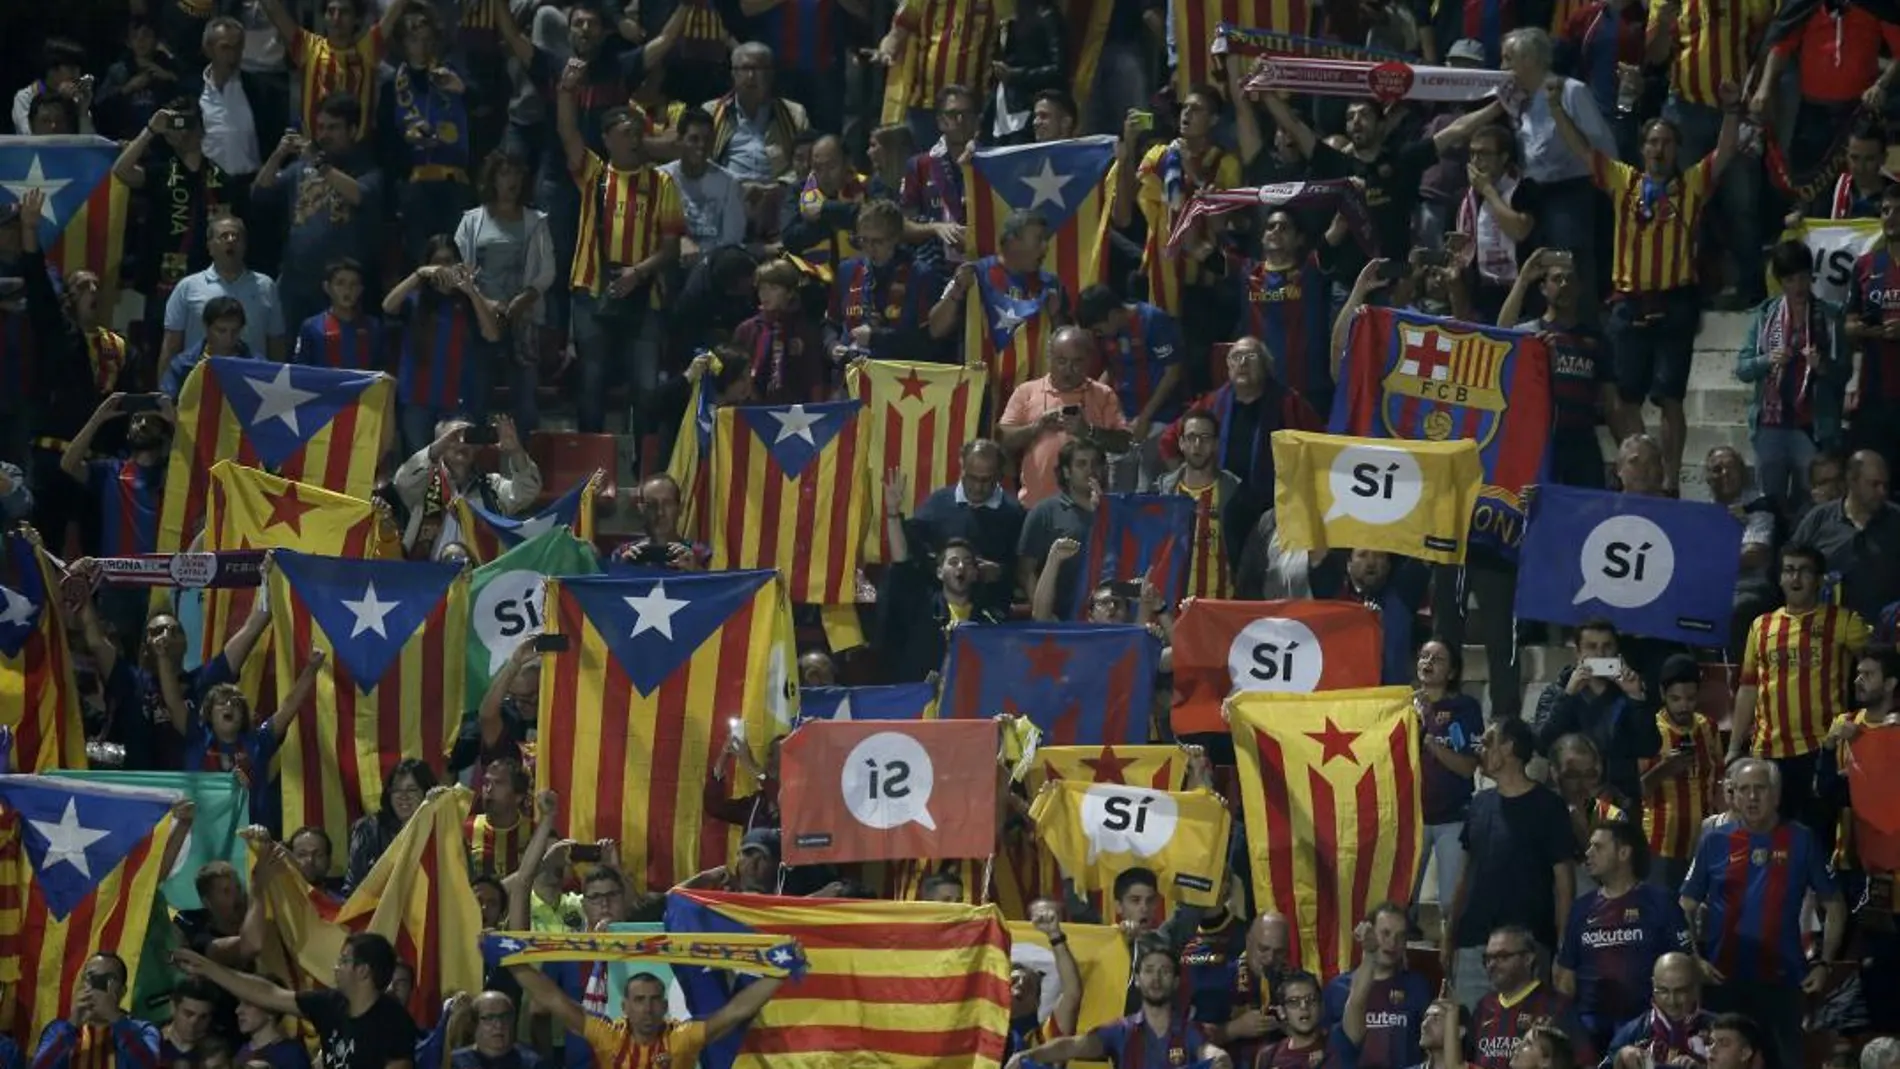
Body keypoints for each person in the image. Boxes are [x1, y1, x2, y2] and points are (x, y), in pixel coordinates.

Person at [1548, 80, 1744, 496]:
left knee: (1670, 397)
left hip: (1676, 300)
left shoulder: (1691, 185)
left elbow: (1725, 152)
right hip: (1627, 301)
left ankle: (1669, 481)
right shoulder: (1624, 181)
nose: (1658, 150)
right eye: (1652, 143)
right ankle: (1640, 472)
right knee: (1623, 398)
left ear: (1676, 150)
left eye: (1667, 143)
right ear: (1642, 150)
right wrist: (1554, 107)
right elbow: (1582, 149)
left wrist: (1730, 111)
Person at [1680, 759, 1848, 1069]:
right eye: (1744, 790)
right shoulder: (1713, 841)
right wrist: (1694, 957)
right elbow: (1686, 904)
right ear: (1733, 795)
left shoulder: (1802, 839)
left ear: (1777, 795)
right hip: (1723, 979)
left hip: (1781, 979)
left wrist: (1824, 963)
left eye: (1760, 789)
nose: (1752, 797)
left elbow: (1835, 904)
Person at [555, 67, 684, 434]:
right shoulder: (593, 173)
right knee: (591, 381)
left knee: (645, 387)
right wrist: (566, 91)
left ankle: (643, 470)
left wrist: (638, 273)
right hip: (591, 291)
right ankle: (594, 470)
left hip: (645, 295)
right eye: (626, 134)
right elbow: (567, 132)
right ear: (607, 139)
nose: (634, 140)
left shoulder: (662, 182)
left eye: (638, 133)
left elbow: (671, 248)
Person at [1728, 542, 1869, 835]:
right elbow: (1748, 688)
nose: (1795, 578)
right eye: (1789, 570)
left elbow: (1879, 667)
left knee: (1818, 838)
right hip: (1768, 751)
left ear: (1819, 579)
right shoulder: (1761, 626)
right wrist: (1733, 747)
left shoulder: (1842, 621)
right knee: (1771, 840)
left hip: (1821, 750)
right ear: (1779, 577)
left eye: (1804, 571)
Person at [1445, 719, 1575, 1010]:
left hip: (1527, 946)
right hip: (1474, 944)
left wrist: (1564, 950)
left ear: (1510, 747)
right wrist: (1450, 934)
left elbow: (1564, 885)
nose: (1481, 747)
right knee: (1471, 1034)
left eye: (1489, 740)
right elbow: (1465, 875)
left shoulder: (1548, 806)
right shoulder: (1479, 804)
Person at [173, 933, 418, 1069]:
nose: (336, 967)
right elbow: (268, 993)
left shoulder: (392, 1021)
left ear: (364, 971)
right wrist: (208, 968)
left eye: (344, 961)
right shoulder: (330, 1005)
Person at [1553, 820, 1690, 1050]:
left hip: (1645, 1027)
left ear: (1624, 852)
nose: (1588, 853)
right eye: (1588, 847)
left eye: (1598, 847)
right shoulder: (1581, 908)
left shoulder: (1661, 902)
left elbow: (1685, 967)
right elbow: (1566, 979)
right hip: (1589, 1028)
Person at [509, 955, 782, 1069]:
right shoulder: (609, 1036)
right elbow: (552, 998)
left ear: (664, 1006)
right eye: (639, 1000)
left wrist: (782, 972)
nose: (647, 1008)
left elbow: (737, 1010)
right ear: (625, 1007)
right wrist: (509, 961)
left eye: (654, 1000)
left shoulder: (682, 1037)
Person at [1736, 241, 1850, 512]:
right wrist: (1767, 359)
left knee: (1811, 506)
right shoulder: (1766, 316)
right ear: (1780, 282)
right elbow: (1742, 368)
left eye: (1803, 277)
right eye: (1790, 279)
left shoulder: (1830, 317)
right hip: (1770, 427)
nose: (1798, 286)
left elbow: (1845, 372)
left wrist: (1823, 367)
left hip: (1812, 428)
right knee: (1769, 506)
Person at [1007, 942, 1235, 1069]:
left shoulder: (1190, 1031)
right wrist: (1028, 1056)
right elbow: (1069, 1046)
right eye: (1148, 971)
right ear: (1136, 979)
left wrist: (1221, 1061)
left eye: (1164, 971)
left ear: (1175, 982)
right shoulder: (1120, 1031)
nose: (1156, 978)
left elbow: (1216, 1057)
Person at [455, 149, 555, 435]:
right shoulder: (472, 221)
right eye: (504, 173)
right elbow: (461, 267)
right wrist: (486, 303)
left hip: (523, 319)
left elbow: (547, 271)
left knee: (525, 400)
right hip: (482, 317)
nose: (511, 181)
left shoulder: (536, 221)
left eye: (516, 174)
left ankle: (525, 465)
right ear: (493, 178)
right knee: (477, 395)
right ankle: (473, 459)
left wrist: (522, 301)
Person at [382, 239, 505, 454]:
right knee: (418, 465)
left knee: (456, 469)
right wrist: (419, 274)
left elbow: (492, 335)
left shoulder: (470, 302)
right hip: (417, 399)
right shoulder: (416, 300)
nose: (442, 268)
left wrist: (470, 290)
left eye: (448, 261)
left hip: (458, 400)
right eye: (437, 262)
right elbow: (388, 305)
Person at [1535, 620, 1661, 806]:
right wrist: (1568, 696)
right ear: (1578, 652)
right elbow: (1543, 744)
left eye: (1607, 646)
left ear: (1617, 651)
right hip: (1569, 800)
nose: (1601, 654)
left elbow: (1649, 747)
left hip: (1619, 799)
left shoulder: (1630, 694)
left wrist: (1636, 698)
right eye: (1592, 647)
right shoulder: (1556, 693)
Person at [998, 326, 1128, 507]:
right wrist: (1036, 427)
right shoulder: (1026, 392)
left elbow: (1124, 443)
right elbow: (1003, 438)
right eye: (1061, 361)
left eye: (1077, 362)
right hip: (1035, 505)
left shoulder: (1103, 394)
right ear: (1049, 358)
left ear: (1088, 361)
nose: (1068, 369)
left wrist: (1088, 431)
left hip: (1089, 506)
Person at [1414, 640, 1484, 929]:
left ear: (1452, 671)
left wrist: (1431, 744)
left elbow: (1468, 767)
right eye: (1424, 655)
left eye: (1438, 659)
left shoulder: (1464, 708)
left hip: (1452, 818)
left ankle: (1450, 967)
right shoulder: (1401, 705)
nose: (1428, 662)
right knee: (1399, 903)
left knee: (1451, 905)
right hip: (1410, 820)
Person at [1639, 655, 1723, 891]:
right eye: (1676, 699)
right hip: (1661, 844)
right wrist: (1665, 769)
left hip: (1704, 842)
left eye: (1690, 698)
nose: (1684, 706)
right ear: (1662, 694)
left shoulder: (1709, 727)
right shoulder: (1649, 730)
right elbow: (1637, 789)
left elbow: (1720, 779)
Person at [160, 215, 286, 366]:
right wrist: (165, 388)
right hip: (200, 379)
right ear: (210, 247)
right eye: (224, 236)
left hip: (252, 380)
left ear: (245, 245)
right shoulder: (188, 287)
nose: (231, 240)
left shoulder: (266, 287)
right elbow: (171, 345)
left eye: (236, 236)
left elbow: (276, 343)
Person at [1790, 450, 1900, 622]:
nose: (1882, 492)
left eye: (1885, 485)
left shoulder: (1896, 520)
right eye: (1874, 484)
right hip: (1827, 629)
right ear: (1852, 481)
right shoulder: (1819, 518)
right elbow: (1790, 566)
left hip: (1887, 632)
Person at [1469, 925, 1587, 1068]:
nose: (1492, 964)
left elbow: (1585, 1062)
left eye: (1502, 957)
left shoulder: (1557, 1007)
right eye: (1488, 958)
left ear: (1528, 958)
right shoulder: (1483, 1006)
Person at [1156, 410, 1243, 601]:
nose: (1198, 445)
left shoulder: (1236, 494)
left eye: (1205, 438)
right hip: (1170, 608)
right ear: (1181, 443)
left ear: (1216, 444)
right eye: (1192, 437)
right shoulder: (1162, 493)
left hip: (1217, 609)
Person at [31, 953, 160, 1069]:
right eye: (91, 978)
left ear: (122, 991)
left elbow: (150, 1066)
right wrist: (71, 1026)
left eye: (107, 979)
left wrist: (114, 1018)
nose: (97, 986)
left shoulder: (142, 1030)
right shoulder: (58, 1030)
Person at [1601, 953, 1715, 1069]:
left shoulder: (1719, 1031)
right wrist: (1619, 1061)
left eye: (1681, 991)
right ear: (1653, 985)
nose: (1672, 1001)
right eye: (1663, 991)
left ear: (1695, 988)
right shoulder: (1630, 1035)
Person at [344, 758, 438, 891]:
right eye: (396, 790)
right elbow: (353, 886)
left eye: (411, 790)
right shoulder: (368, 829)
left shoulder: (440, 828)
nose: (403, 796)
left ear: (426, 792)